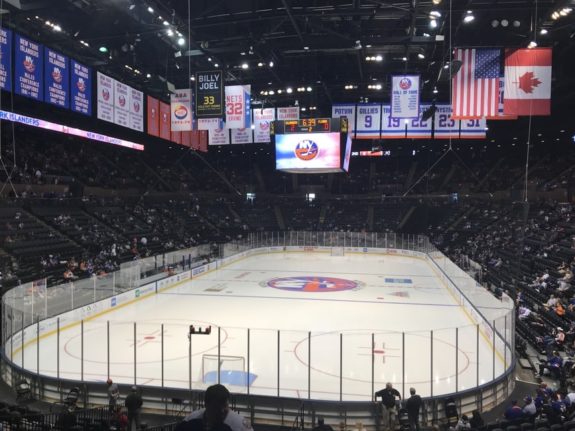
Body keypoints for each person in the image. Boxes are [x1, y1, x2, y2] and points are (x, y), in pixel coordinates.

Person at [175, 384, 253, 431]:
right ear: (206, 405)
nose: (222, 411)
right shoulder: (191, 420)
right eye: (217, 407)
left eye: (225, 406)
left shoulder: (240, 424)